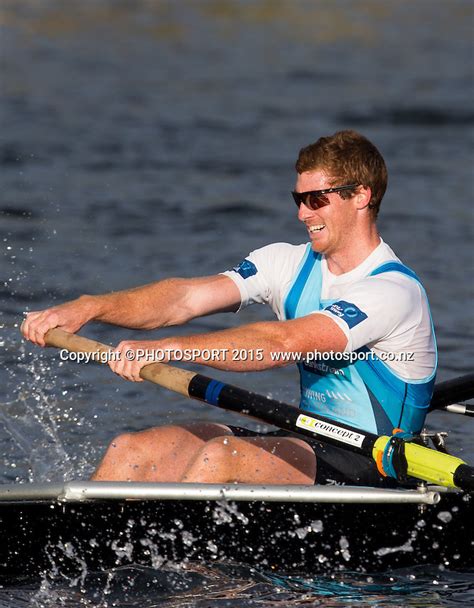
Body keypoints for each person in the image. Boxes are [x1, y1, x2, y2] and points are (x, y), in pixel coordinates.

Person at [21, 130, 437, 487]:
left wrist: (170, 349)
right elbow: (184, 298)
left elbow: (283, 342)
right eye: (298, 198)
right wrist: (89, 307)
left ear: (361, 196)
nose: (301, 213)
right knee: (133, 450)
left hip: (376, 463)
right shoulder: (286, 262)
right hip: (309, 442)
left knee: (220, 459)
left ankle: (199, 579)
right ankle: (81, 567)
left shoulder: (393, 291)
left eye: (316, 199)